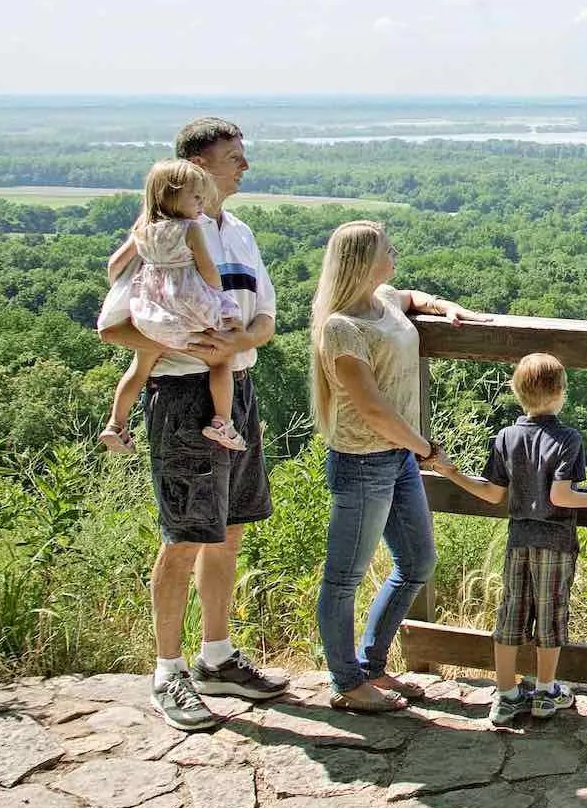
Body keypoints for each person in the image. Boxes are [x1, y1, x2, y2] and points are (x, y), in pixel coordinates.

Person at [97, 117, 289, 731]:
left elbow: (264, 318)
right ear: (196, 168)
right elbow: (114, 325)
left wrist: (244, 341)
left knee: (228, 529)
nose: (245, 166)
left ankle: (216, 655)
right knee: (184, 535)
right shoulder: (159, 235)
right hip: (183, 396)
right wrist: (196, 348)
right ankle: (167, 670)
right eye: (234, 156)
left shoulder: (240, 231)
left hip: (237, 388)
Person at [311, 219, 477, 713]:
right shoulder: (342, 326)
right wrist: (427, 450)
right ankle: (347, 682)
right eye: (388, 249)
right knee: (344, 577)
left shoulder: (381, 301)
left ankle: (373, 666)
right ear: (364, 261)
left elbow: (412, 297)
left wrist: (446, 307)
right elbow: (372, 408)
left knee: (418, 562)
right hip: (363, 459)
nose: (395, 254)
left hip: (397, 456)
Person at [426, 352, 587, 724]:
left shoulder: (507, 437)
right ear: (561, 393)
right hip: (555, 542)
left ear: (518, 393)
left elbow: (492, 493)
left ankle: (505, 695)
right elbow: (560, 496)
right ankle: (545, 691)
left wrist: (450, 471)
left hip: (518, 539)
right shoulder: (568, 439)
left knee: (511, 615)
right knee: (551, 617)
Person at [100, 160, 245, 455]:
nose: (201, 204)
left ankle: (116, 424)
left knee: (139, 369)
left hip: (152, 313)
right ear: (171, 194)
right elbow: (208, 271)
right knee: (220, 359)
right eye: (196, 197)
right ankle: (222, 421)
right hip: (188, 308)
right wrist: (219, 296)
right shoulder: (190, 229)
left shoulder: (143, 229)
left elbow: (115, 266)